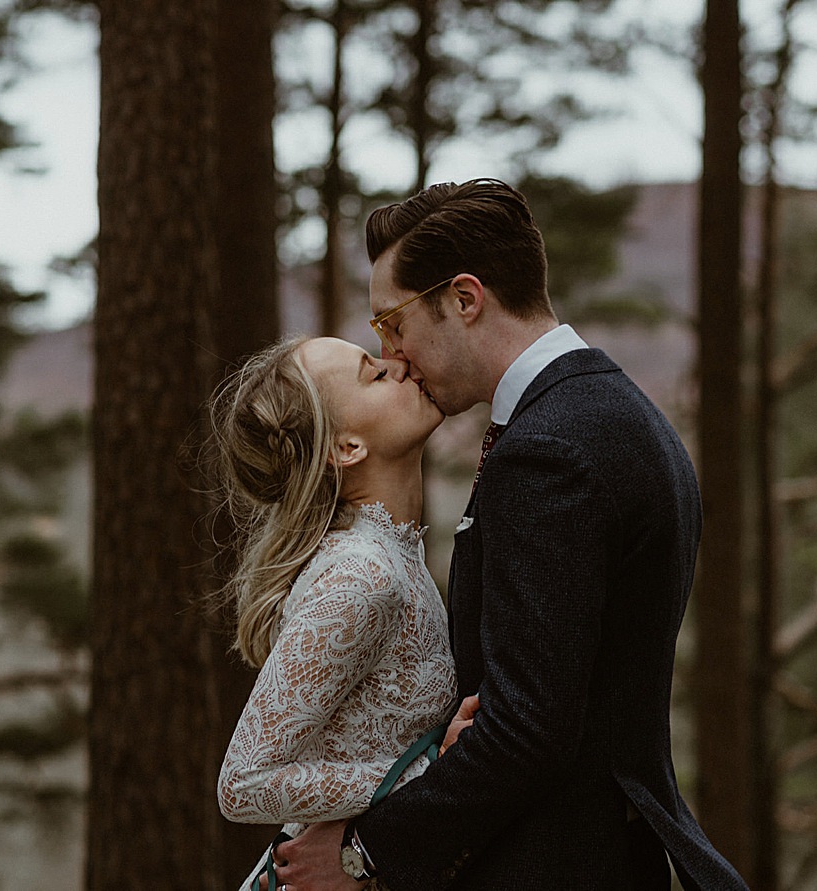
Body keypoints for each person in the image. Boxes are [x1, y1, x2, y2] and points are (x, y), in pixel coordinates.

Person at [270, 180, 749, 890]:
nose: (394, 354)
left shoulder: (548, 448)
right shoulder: (614, 411)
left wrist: (362, 852)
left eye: (392, 323)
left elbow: (528, 727)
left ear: (464, 299)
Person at [210, 335, 461, 891]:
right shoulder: (359, 577)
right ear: (346, 448)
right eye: (373, 374)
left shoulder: (393, 553)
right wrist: (424, 775)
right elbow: (244, 782)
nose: (399, 365)